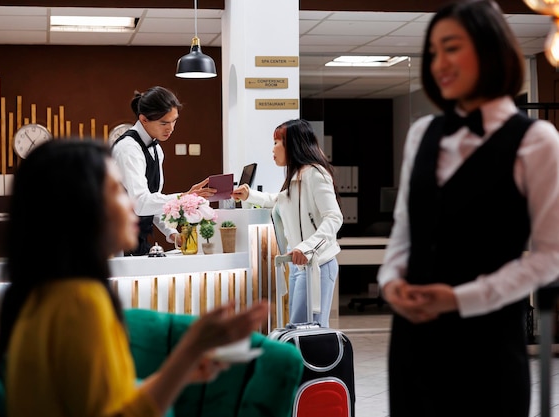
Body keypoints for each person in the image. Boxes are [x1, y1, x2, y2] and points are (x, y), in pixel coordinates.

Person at [0, 139, 268, 417]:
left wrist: (184, 366)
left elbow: (112, 400)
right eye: (117, 190)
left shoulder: (52, 294)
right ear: (79, 206)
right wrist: (190, 350)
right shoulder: (78, 304)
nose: (130, 202)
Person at [376, 1, 559, 416]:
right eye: (433, 52)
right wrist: (390, 284)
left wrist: (460, 299)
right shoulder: (422, 132)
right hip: (412, 341)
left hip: (488, 341)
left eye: (452, 48)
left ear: (490, 48)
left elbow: (551, 257)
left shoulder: (537, 140)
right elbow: (404, 231)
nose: (439, 62)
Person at [231, 119, 343, 328]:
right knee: (299, 329)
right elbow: (278, 200)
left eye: (277, 142)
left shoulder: (315, 175)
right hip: (299, 263)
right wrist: (249, 195)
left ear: (293, 144)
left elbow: (334, 217)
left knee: (310, 331)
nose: (273, 149)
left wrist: (307, 247)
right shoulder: (296, 176)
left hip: (316, 262)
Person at [111, 86, 216, 255]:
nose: (171, 128)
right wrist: (184, 197)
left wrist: (173, 234)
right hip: (117, 242)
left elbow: (153, 203)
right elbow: (141, 203)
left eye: (174, 121)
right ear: (144, 119)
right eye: (164, 123)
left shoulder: (156, 149)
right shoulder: (128, 148)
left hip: (139, 240)